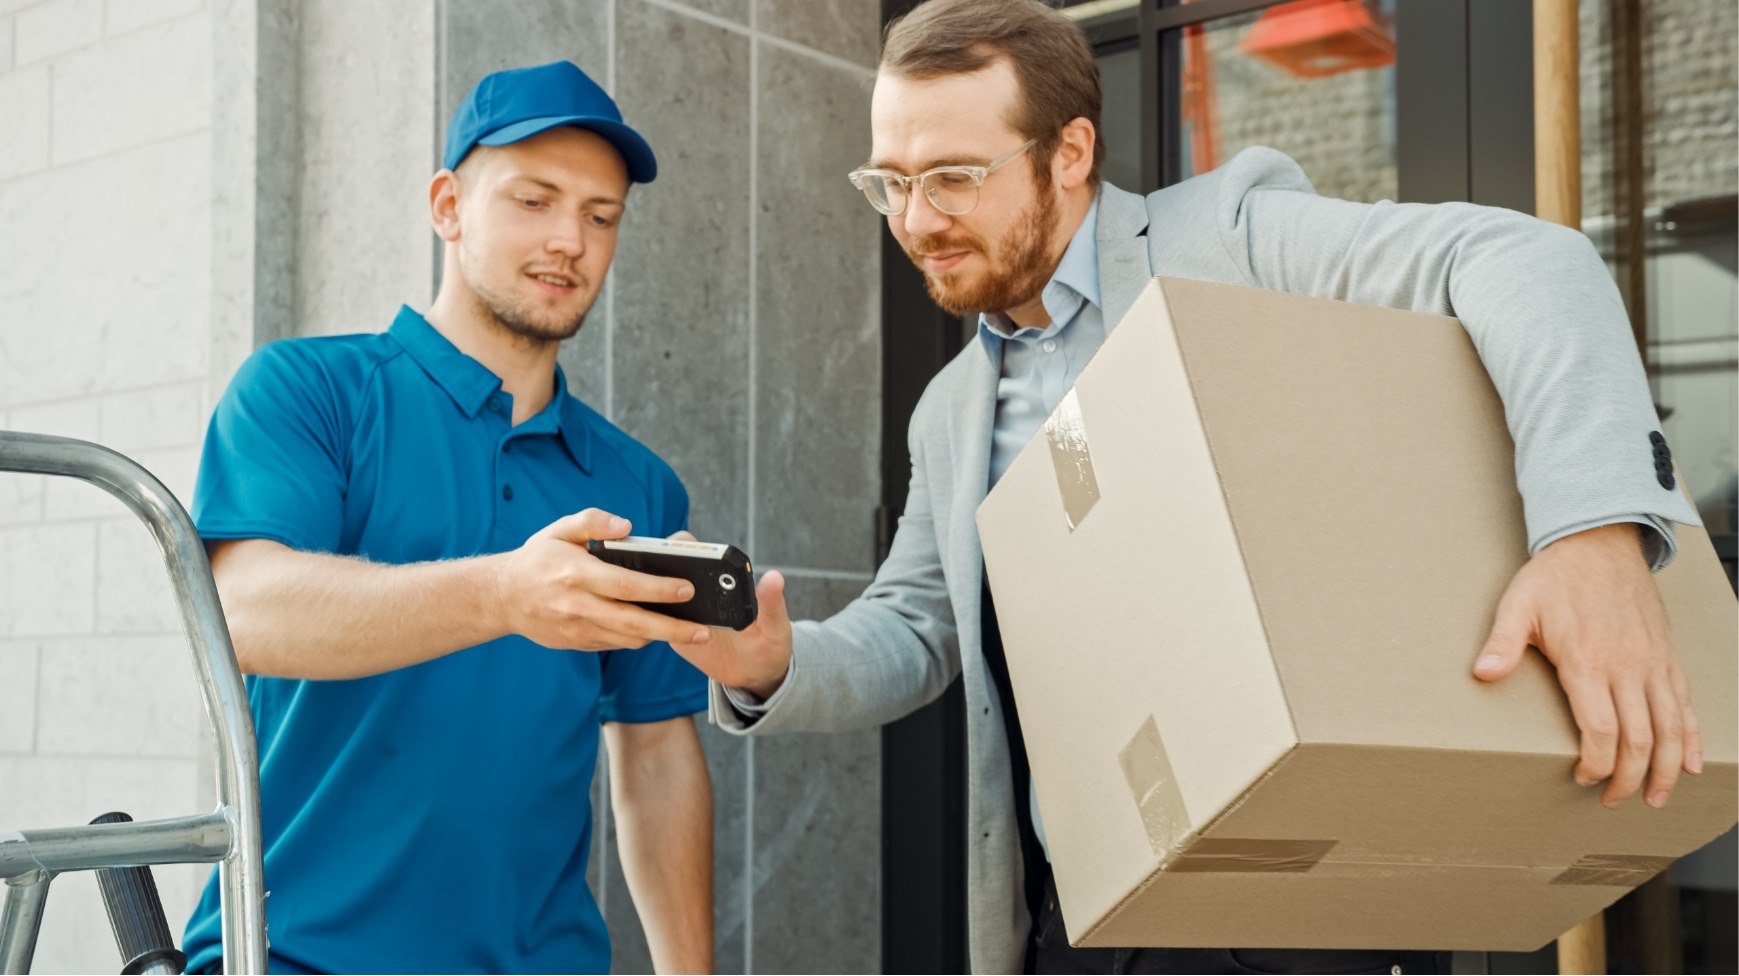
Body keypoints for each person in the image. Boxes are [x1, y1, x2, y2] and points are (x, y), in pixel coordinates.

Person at [668, 2, 1706, 973]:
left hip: (1298, 909)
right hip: (1080, 918)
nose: (913, 218)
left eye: (951, 177)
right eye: (889, 182)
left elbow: (1526, 260)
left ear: (1069, 152)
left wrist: (1592, 538)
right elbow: (915, 626)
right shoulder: (950, 410)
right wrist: (771, 660)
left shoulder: (1231, 238)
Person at [180, 62, 717, 974]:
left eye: (600, 216)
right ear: (448, 205)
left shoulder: (639, 485)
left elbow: (656, 753)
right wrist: (505, 594)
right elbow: (242, 615)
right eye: (533, 201)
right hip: (296, 956)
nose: (569, 240)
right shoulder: (308, 392)